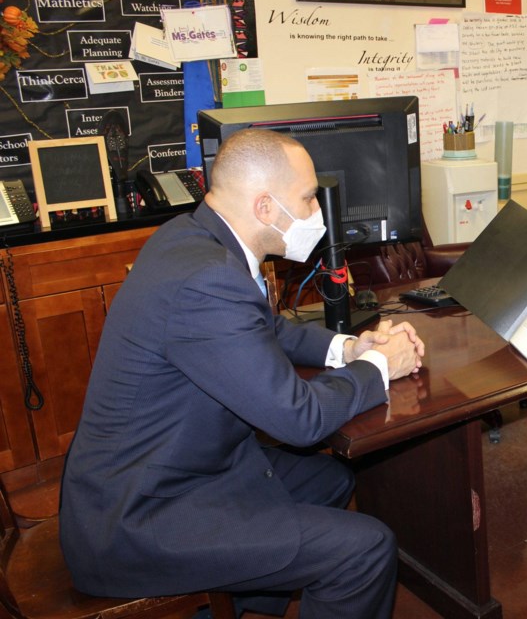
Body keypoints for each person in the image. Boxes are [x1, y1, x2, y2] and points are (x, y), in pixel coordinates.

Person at [59, 128, 425, 619]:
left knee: (330, 480)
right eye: (309, 198)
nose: (318, 213)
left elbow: (265, 327)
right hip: (138, 516)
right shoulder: (205, 280)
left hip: (183, 470)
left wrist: (348, 346)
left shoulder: (193, 236)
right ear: (265, 207)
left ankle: (226, 600)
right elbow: (298, 420)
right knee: (364, 549)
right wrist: (380, 364)